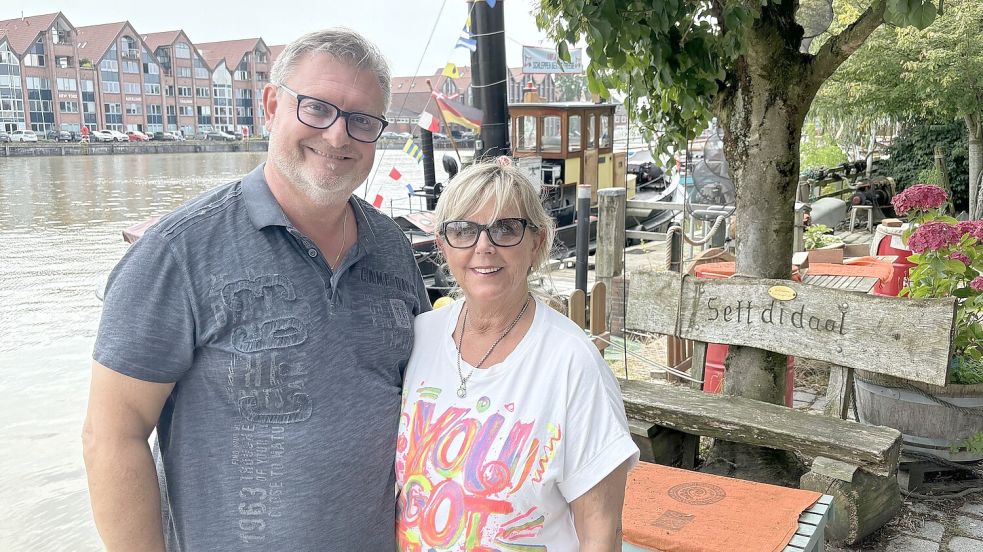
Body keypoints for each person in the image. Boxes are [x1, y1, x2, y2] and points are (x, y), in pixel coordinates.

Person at [82, 28, 430, 551]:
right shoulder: (177, 253)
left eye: (362, 120)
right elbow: (112, 435)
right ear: (272, 104)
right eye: (316, 108)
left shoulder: (391, 247)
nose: (337, 136)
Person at [395, 161, 639, 550]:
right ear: (442, 244)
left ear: (536, 242)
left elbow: (601, 531)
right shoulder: (420, 337)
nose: (483, 246)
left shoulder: (571, 363)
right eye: (463, 230)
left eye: (506, 228)